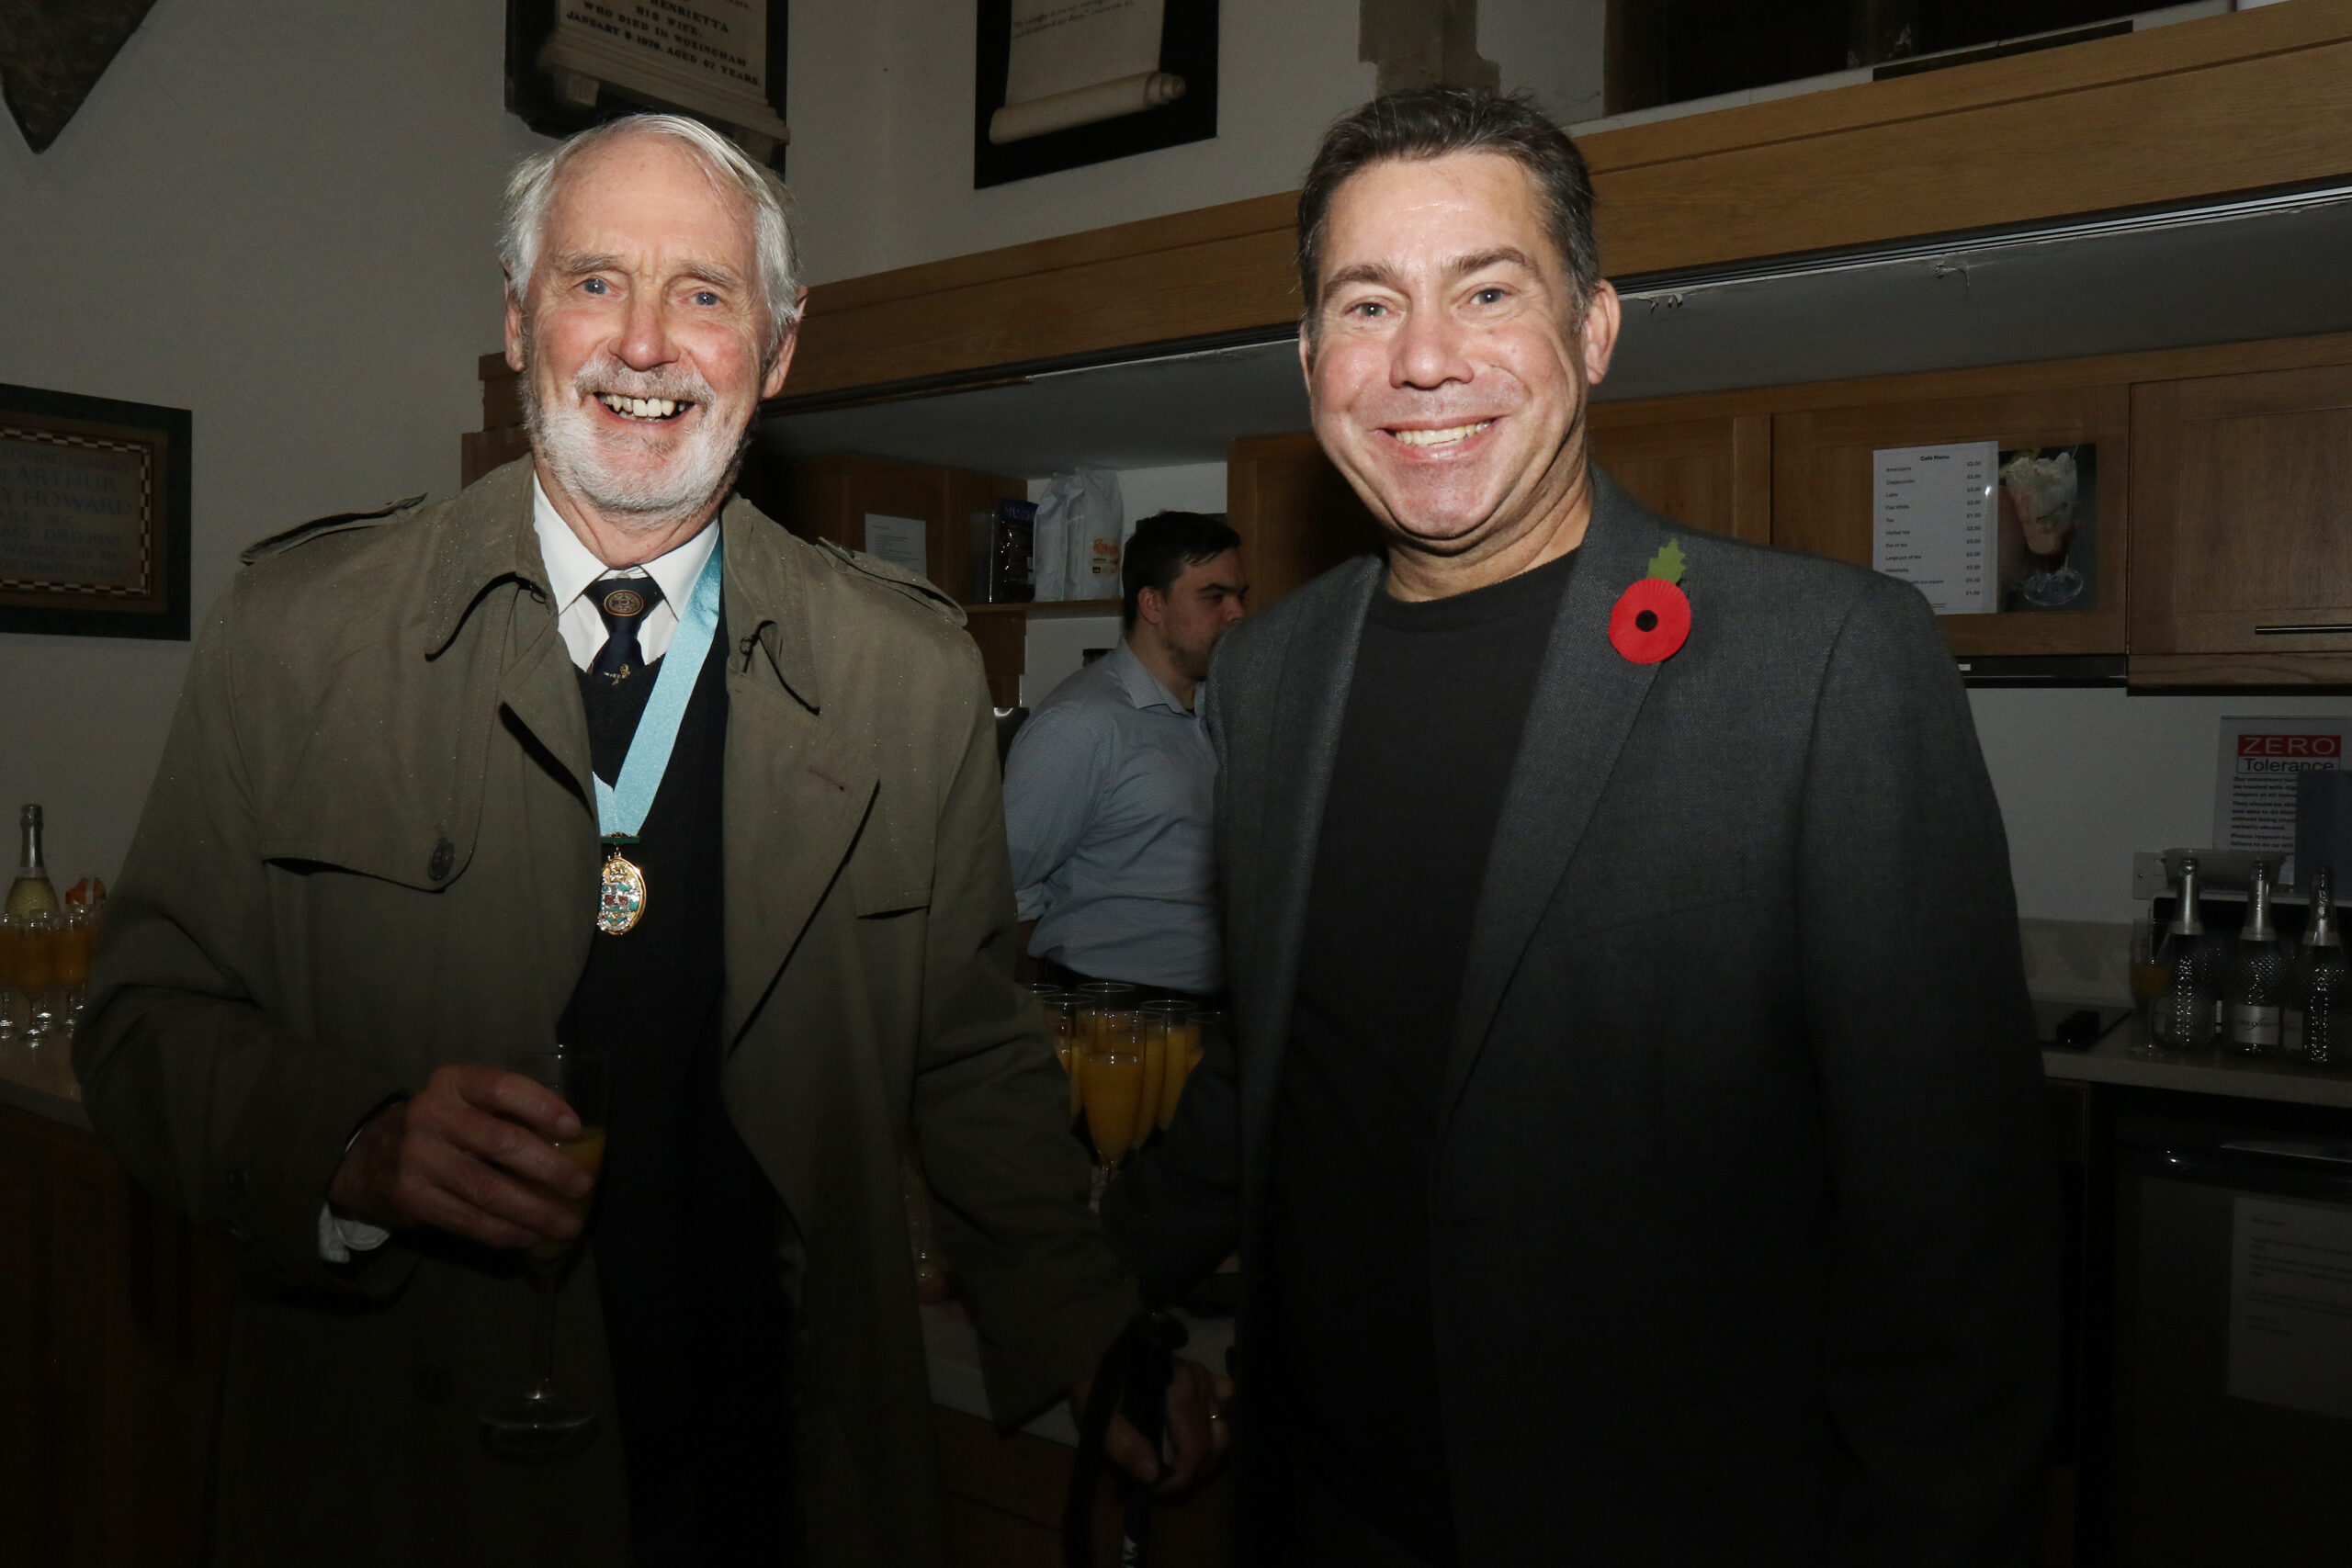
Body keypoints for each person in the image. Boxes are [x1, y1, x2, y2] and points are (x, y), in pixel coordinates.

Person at [76, 115, 1174, 1568]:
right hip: (406, 1476)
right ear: (516, 318)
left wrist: (1087, 1326)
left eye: (703, 292)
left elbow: (970, 1054)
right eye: (595, 280)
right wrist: (350, 1139)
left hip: (771, 1469)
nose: (645, 343)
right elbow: (143, 1022)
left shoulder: (906, 676)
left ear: (778, 346)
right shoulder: (300, 636)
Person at [1103, 87, 2060, 1567]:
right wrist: (1082, 1282)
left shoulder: (1822, 662)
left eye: (1488, 291)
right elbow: (1283, 1060)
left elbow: (1956, 1238)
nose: (1425, 358)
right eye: (1369, 304)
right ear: (1310, 360)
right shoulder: (1270, 674)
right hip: (1318, 1507)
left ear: (1595, 328)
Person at [1004, 511, 1249, 998]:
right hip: (1113, 1005)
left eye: (1240, 595)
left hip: (1216, 1005)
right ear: (1153, 604)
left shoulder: (1221, 713)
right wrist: (1048, 1002)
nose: (1237, 613)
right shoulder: (1081, 724)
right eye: (1214, 596)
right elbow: (1002, 881)